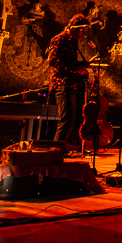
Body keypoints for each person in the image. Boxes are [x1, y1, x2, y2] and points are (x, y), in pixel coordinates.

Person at [48, 14, 91, 146]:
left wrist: (82, 65)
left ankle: (57, 151)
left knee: (71, 122)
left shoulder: (73, 41)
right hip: (61, 83)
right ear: (75, 28)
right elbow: (53, 61)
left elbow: (69, 61)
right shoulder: (59, 39)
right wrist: (75, 68)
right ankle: (55, 153)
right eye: (82, 31)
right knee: (66, 121)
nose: (83, 34)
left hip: (70, 84)